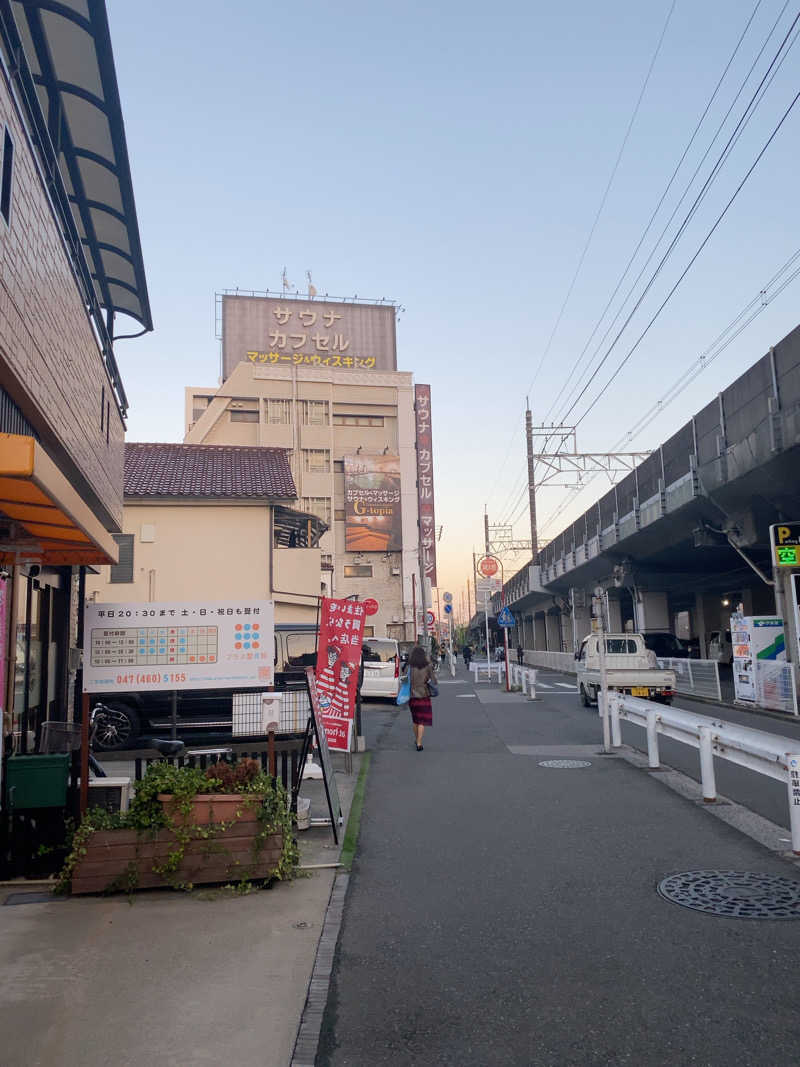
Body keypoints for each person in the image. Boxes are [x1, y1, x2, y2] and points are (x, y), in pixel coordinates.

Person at [404, 644, 436, 751]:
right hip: (424, 696)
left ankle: (416, 739)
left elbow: (404, 680)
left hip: (412, 696)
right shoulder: (428, 666)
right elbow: (434, 681)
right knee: (422, 721)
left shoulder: (409, 667)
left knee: (415, 720)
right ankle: (419, 743)